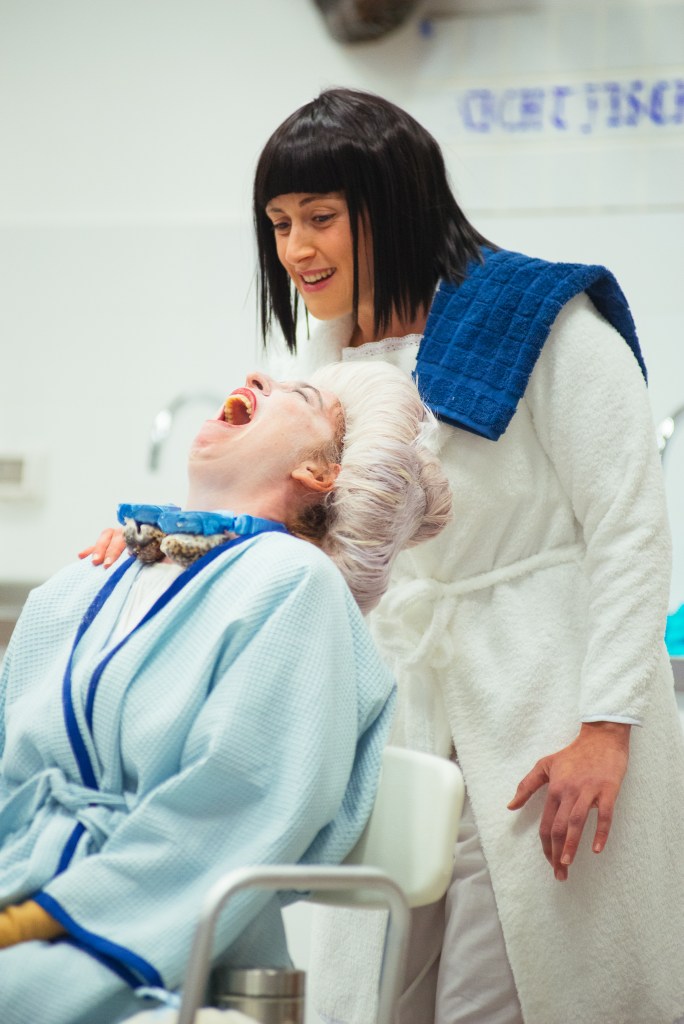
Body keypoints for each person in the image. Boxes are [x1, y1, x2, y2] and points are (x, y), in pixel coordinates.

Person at [83, 88, 684, 1024]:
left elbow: (630, 528)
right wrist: (152, 541)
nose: (296, 249)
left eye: (320, 217)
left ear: (395, 205)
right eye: (279, 223)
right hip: (397, 710)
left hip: (541, 706)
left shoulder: (543, 321)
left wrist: (606, 727)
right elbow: (274, 519)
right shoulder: (323, 365)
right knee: (375, 989)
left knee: (509, 988)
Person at [0, 361, 452, 1024]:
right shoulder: (85, 581)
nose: (258, 376)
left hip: (154, 948)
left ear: (318, 472)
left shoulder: (296, 585)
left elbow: (237, 800)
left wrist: (37, 920)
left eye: (299, 395)